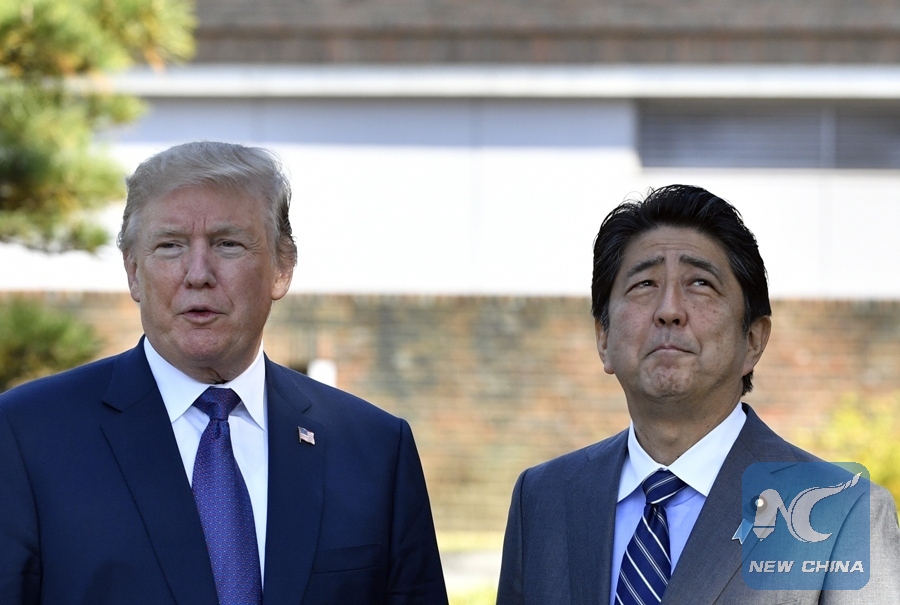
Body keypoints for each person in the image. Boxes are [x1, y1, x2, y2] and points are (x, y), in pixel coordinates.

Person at [0, 141, 448, 604]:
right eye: (170, 246)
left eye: (227, 244)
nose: (198, 273)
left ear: (282, 268)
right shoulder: (26, 437)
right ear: (133, 272)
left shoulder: (375, 449)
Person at [496, 185, 900, 604]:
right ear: (604, 338)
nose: (669, 310)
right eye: (644, 283)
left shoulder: (842, 514)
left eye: (700, 283)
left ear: (753, 340)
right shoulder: (542, 499)